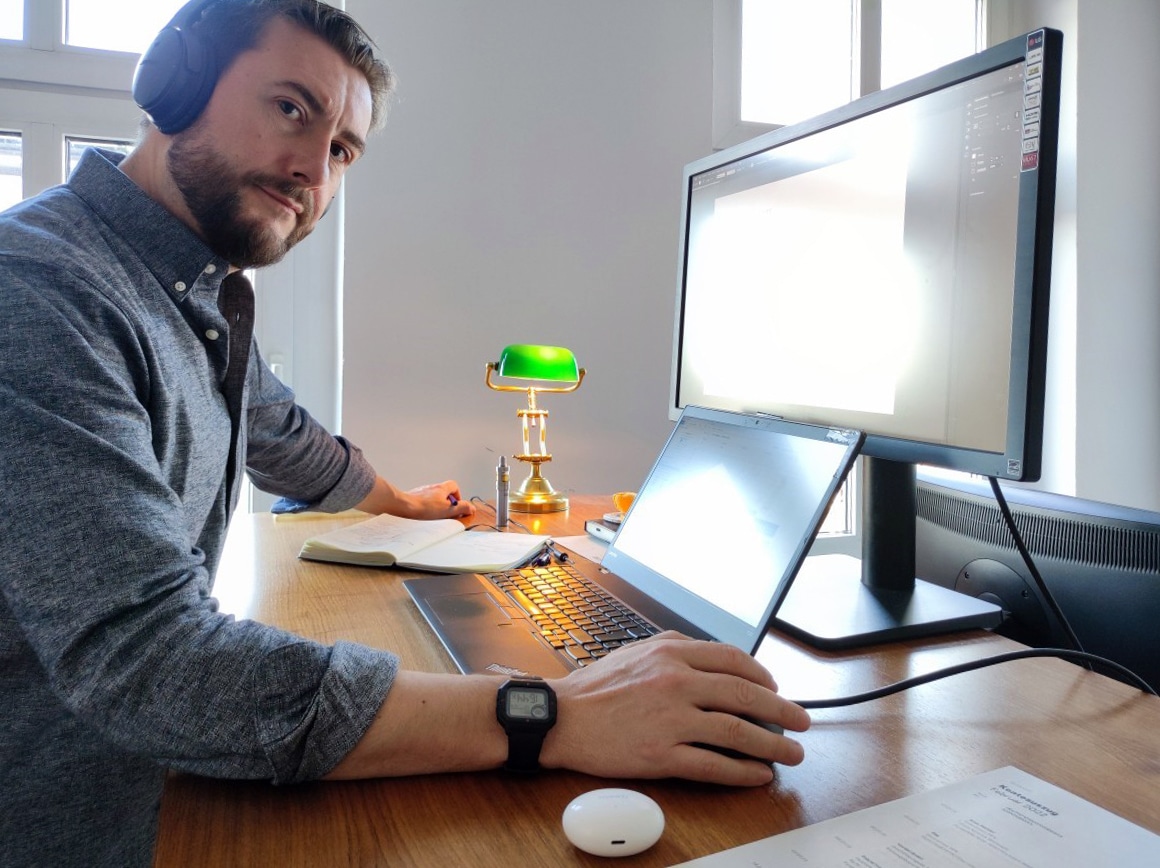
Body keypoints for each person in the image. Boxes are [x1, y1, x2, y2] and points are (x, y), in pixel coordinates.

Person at [0, 2, 810, 865]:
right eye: (290, 108)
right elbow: (155, 667)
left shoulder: (194, 296)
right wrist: (554, 713)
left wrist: (408, 505)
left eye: (343, 148)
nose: (314, 166)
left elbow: (287, 437)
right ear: (174, 83)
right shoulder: (42, 291)